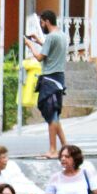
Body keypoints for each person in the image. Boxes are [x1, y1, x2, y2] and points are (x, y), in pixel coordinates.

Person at [25, 11, 70, 159]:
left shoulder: (51, 37)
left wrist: (30, 45)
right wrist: (39, 41)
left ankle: (52, 149)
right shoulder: (62, 35)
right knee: (55, 115)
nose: (42, 26)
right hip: (59, 78)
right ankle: (65, 147)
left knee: (51, 116)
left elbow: (39, 57)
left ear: (46, 21)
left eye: (42, 23)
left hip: (50, 79)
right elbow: (51, 48)